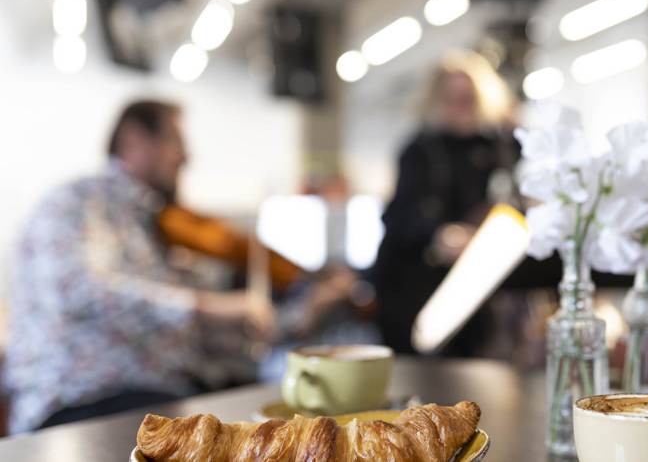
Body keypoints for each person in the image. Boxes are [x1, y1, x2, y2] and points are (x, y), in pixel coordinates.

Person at [4, 100, 349, 433]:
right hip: (81, 403)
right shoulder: (74, 203)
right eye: (176, 141)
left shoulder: (153, 228)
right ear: (134, 139)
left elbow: (195, 336)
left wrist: (300, 317)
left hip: (160, 397)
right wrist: (206, 306)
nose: (187, 157)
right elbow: (82, 290)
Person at [372, 51, 520, 356]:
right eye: (452, 99)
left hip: (472, 285)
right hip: (414, 284)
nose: (460, 107)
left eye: (467, 98)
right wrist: (438, 235)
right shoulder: (419, 149)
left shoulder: (498, 148)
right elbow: (400, 216)